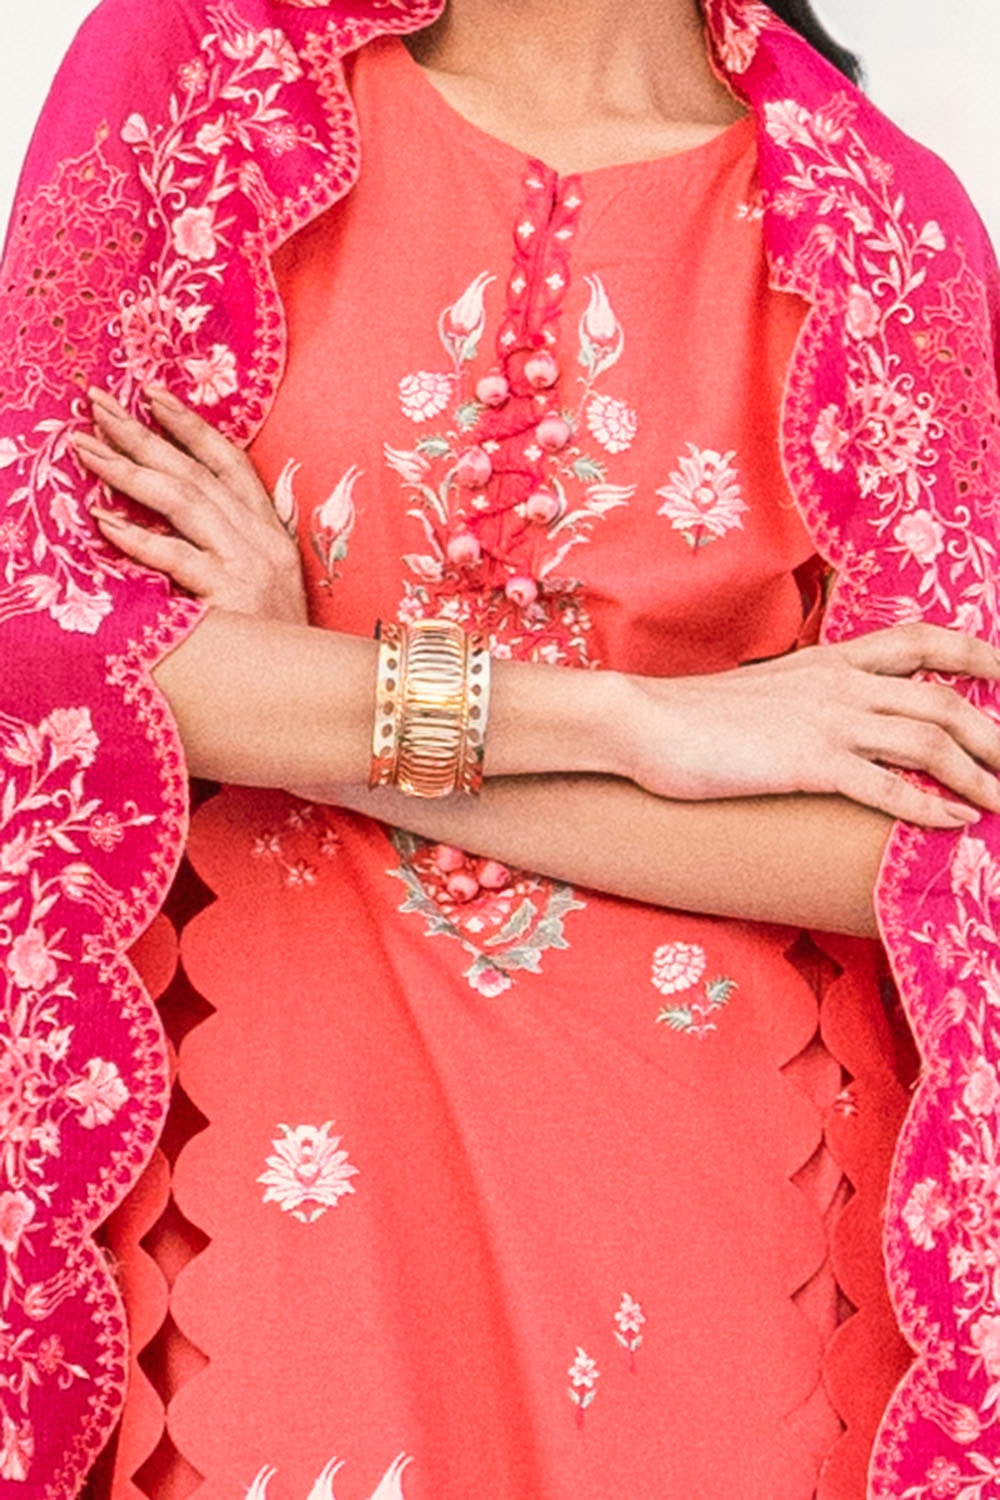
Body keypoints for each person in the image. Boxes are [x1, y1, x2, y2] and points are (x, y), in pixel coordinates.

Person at [4, 1, 1000, 1497]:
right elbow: (45, 648)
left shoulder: (879, 225)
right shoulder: (203, 79)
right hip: (276, 1183)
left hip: (715, 1231)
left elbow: (934, 846)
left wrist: (305, 713)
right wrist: (646, 723)